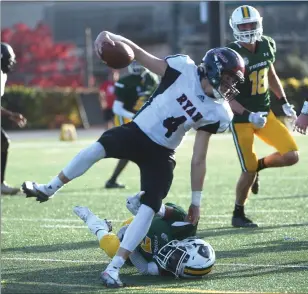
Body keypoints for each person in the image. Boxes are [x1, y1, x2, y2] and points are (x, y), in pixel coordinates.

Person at [22, 30, 246, 287]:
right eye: (228, 79)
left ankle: (114, 268)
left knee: (150, 207)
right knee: (97, 149)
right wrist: (110, 36)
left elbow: (199, 158)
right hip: (137, 132)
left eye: (233, 82)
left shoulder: (218, 112)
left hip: (162, 153)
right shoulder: (182, 68)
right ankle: (49, 187)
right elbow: (139, 54)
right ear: (214, 69)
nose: (230, 87)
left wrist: (197, 201)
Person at [227, 5, 299, 228]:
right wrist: (248, 115)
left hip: (265, 113)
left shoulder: (266, 44)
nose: (248, 29)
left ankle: (260, 165)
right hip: (241, 121)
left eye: (252, 24)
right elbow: (226, 95)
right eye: (243, 25)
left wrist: (284, 102)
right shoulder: (230, 54)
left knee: (291, 155)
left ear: (259, 24)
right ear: (235, 28)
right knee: (246, 169)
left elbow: (271, 73)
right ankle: (238, 213)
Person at [73, 191, 215, 280]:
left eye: (175, 265)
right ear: (188, 244)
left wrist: (131, 247)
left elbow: (145, 269)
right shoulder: (184, 227)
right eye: (177, 257)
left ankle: (97, 224)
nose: (169, 260)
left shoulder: (170, 268)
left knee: (112, 248)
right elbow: (164, 210)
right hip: (141, 223)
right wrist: (141, 207)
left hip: (138, 251)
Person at [105, 62, 159, 189]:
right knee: (131, 148)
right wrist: (134, 116)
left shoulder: (152, 79)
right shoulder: (125, 81)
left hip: (142, 116)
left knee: (138, 148)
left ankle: (112, 180)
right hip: (125, 116)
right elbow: (117, 108)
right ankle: (113, 180)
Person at [1, 42, 27, 195]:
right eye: (9, 60)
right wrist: (11, 114)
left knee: (3, 142)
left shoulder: (2, 75)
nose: (11, 63)